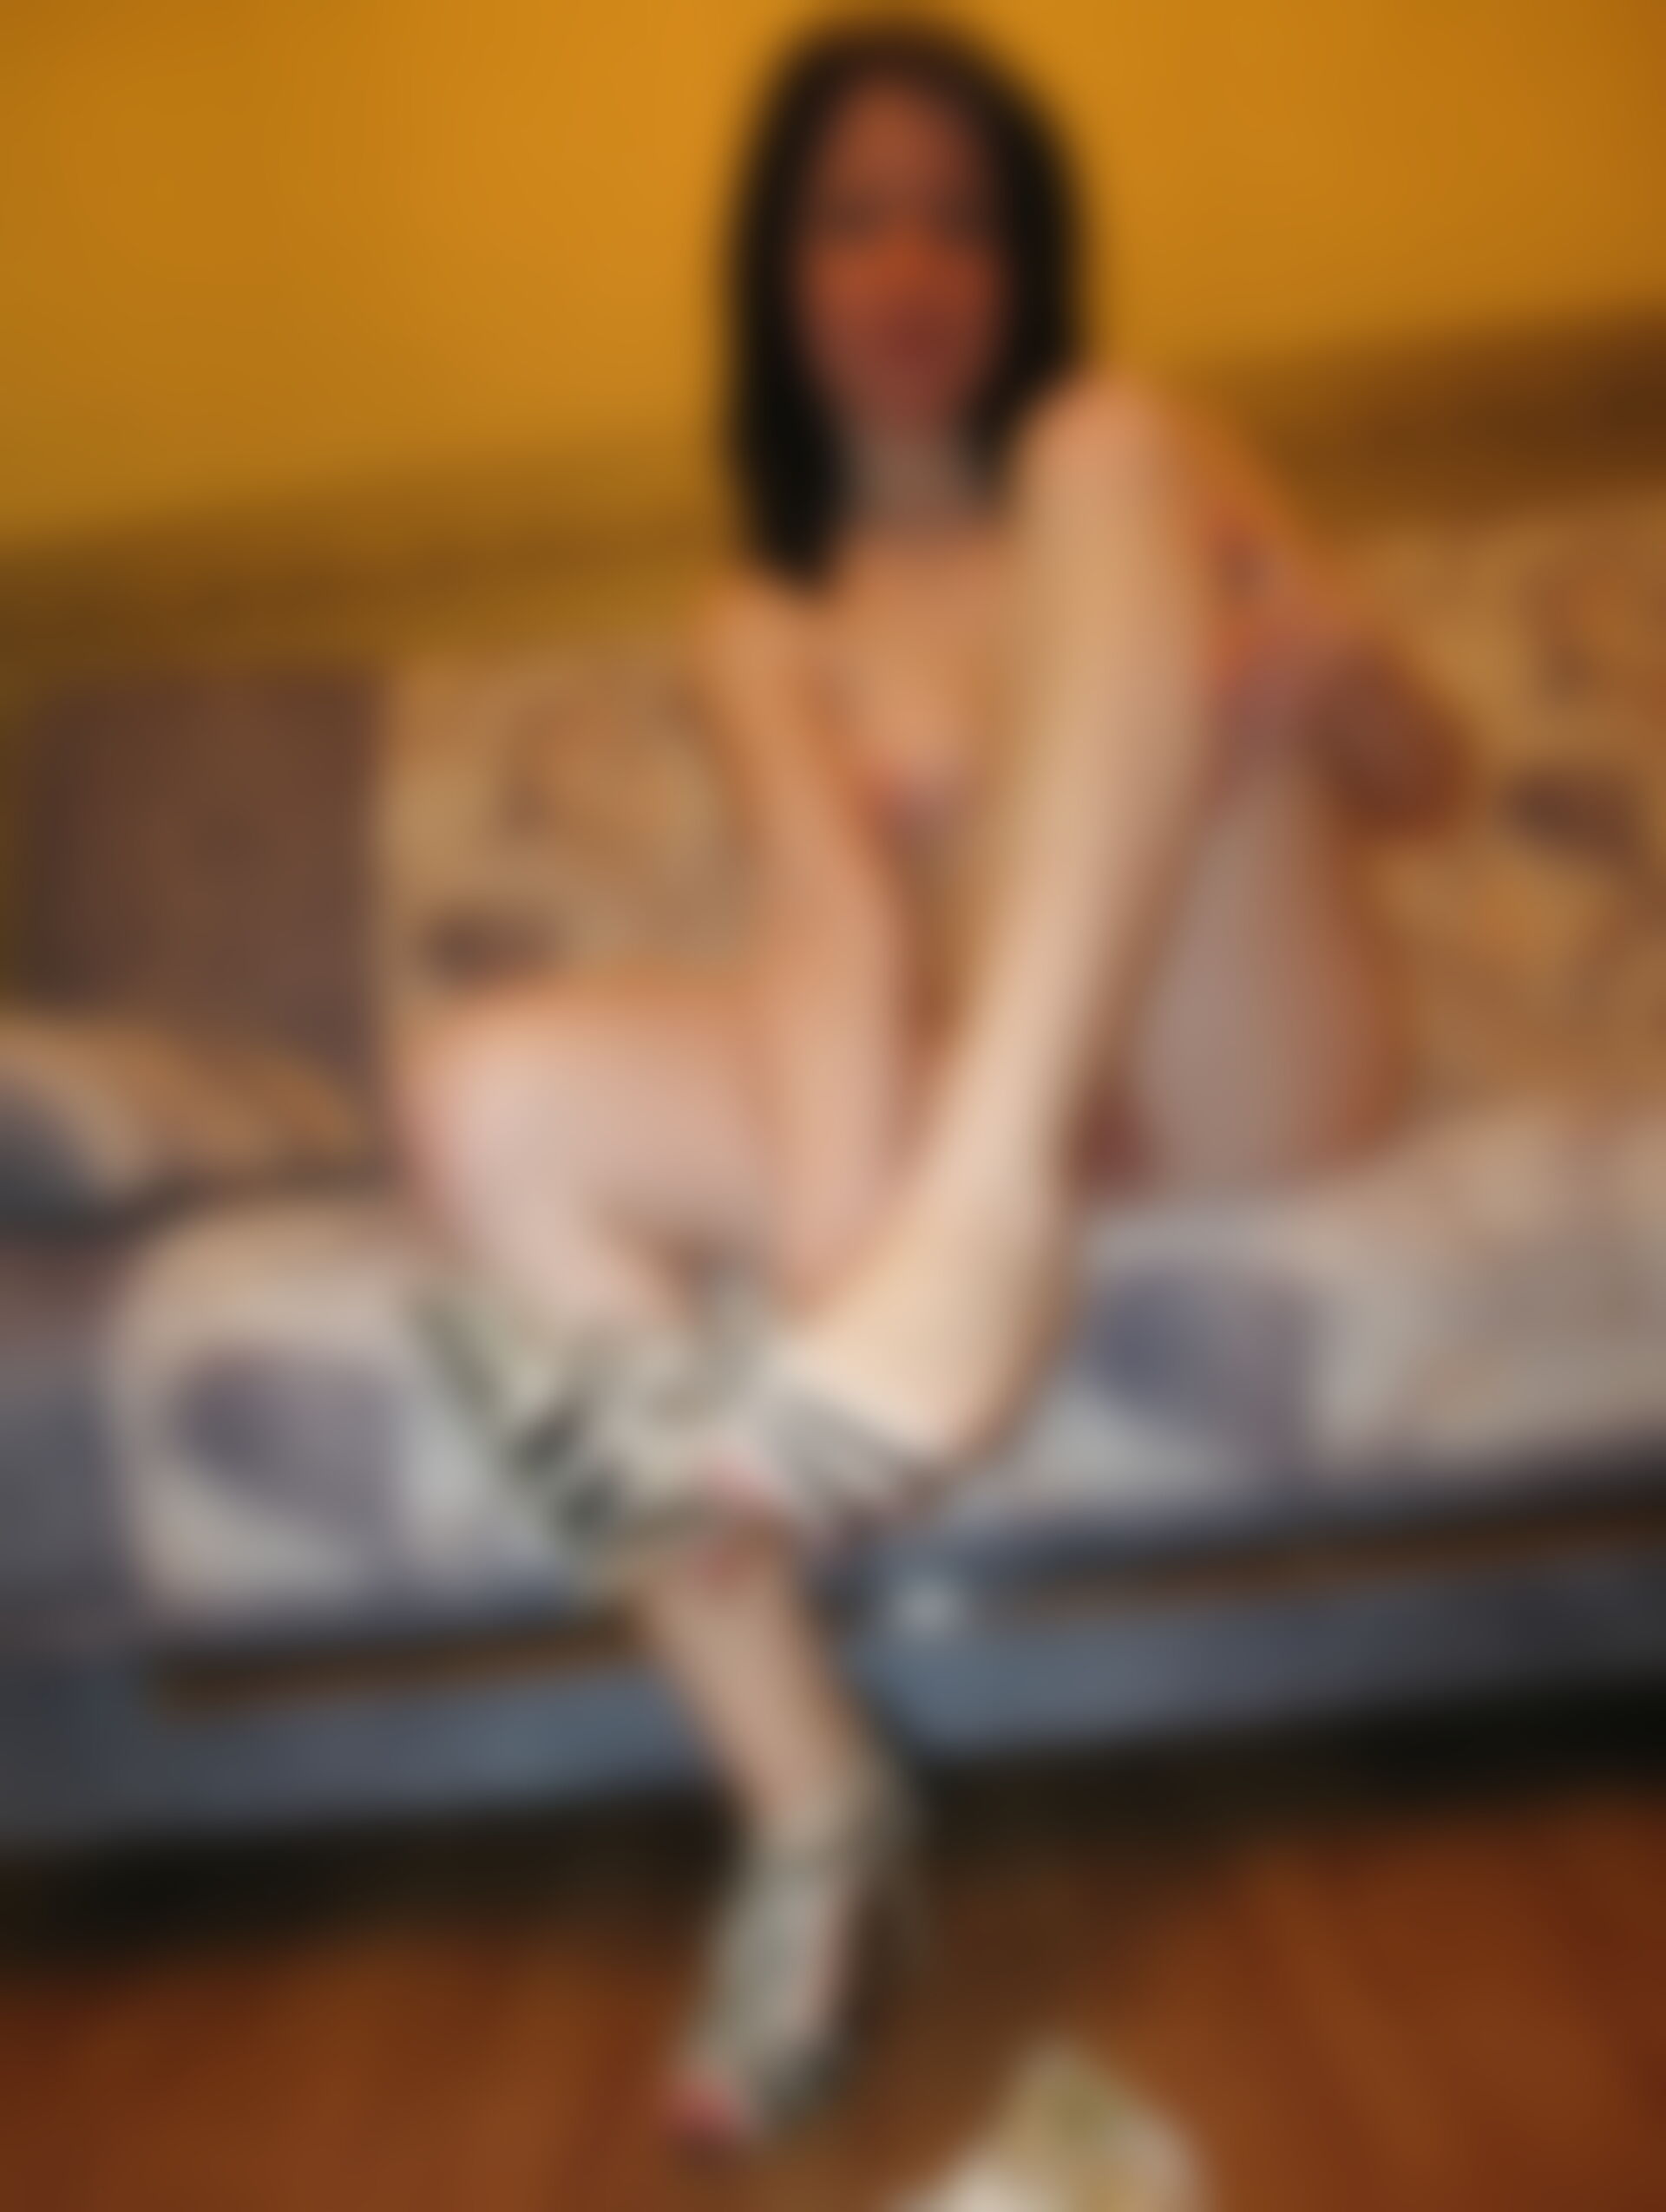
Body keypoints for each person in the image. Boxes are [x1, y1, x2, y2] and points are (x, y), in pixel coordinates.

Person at [401, 19, 1462, 2151]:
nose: (909, 266)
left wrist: (1329, 654)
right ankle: (815, 1806)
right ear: (779, 275)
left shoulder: (1136, 465)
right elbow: (831, 914)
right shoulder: (764, 619)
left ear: (1022, 256)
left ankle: (978, 1221)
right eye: (854, 218)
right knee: (480, 1093)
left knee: (1102, 443)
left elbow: (1429, 782)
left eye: (961, 220)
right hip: (992, 1096)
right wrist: (839, 1252)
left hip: (1247, 1057)